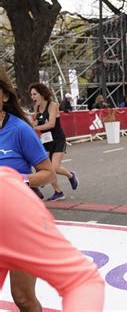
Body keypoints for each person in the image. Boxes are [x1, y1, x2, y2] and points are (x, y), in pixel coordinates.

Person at [0, 166, 105, 311]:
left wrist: (24, 179)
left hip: (18, 203)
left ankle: (61, 187)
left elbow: (80, 280)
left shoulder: (5, 193)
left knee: (23, 297)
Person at [0, 68, 57, 310]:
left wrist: (17, 179)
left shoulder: (19, 130)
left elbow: (48, 173)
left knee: (23, 298)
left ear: (4, 95)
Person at [30, 82, 79, 201]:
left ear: (42, 94)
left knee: (54, 167)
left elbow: (51, 123)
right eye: (31, 95)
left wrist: (35, 128)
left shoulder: (53, 105)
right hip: (46, 141)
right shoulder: (36, 107)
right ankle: (58, 192)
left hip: (58, 139)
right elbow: (37, 121)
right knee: (48, 169)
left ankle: (71, 175)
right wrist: (33, 123)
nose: (32, 97)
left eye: (34, 94)